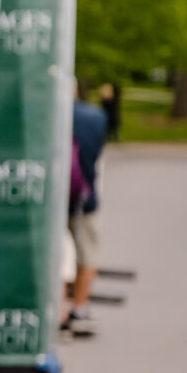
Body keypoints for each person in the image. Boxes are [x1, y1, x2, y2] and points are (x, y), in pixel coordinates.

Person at [65, 85, 110, 336]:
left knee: (57, 256)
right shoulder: (94, 117)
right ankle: (79, 307)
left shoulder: (41, 113)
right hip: (83, 196)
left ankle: (58, 310)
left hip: (48, 201)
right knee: (88, 254)